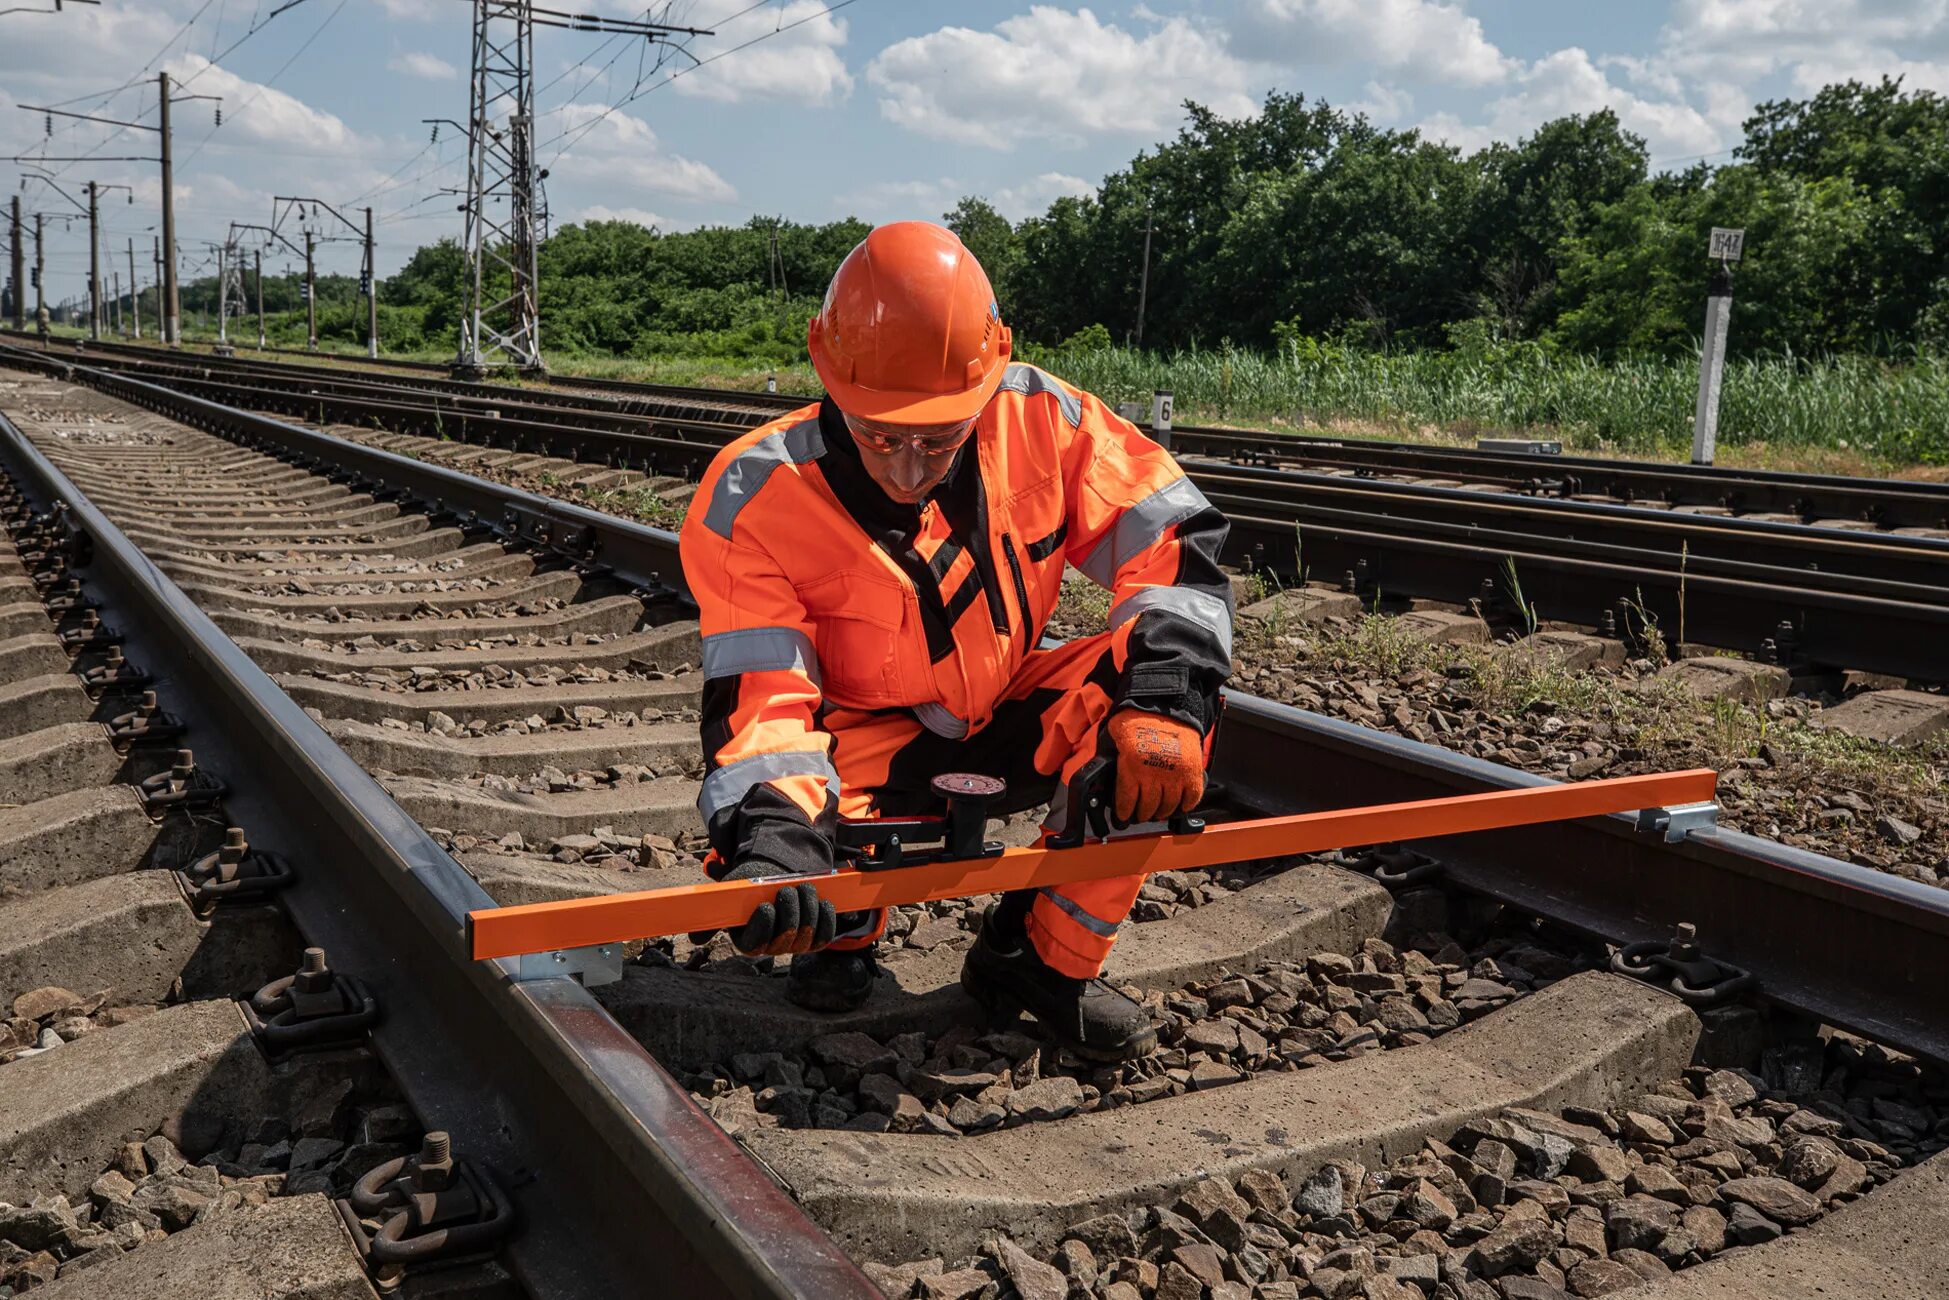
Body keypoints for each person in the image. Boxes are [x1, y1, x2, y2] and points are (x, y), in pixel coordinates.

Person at [678, 221, 1232, 1061]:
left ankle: (1042, 963)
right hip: (862, 740)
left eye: (937, 439)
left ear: (992, 375)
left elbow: (1174, 543)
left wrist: (1164, 703)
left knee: (1160, 707)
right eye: (878, 436)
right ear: (827, 377)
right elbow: (763, 704)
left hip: (1006, 707)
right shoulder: (753, 496)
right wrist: (777, 847)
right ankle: (842, 938)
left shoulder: (1048, 419)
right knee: (813, 839)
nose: (908, 468)